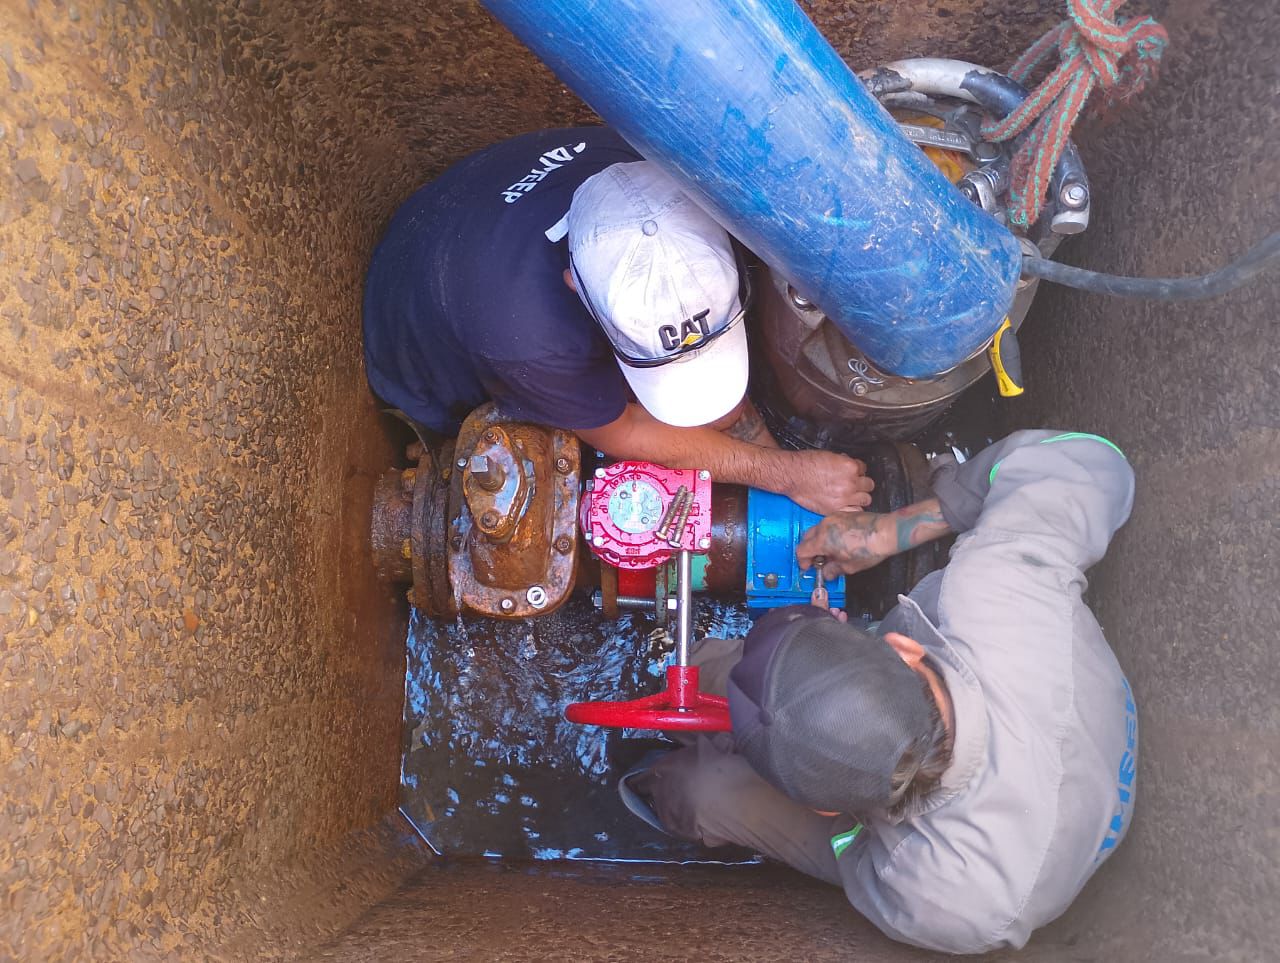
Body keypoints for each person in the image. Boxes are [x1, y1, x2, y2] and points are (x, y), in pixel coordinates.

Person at [623, 430, 1138, 954]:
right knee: (717, 678)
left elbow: (869, 855)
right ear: (905, 651)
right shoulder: (999, 593)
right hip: (1031, 727)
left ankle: (654, 783)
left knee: (699, 792)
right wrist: (891, 530)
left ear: (828, 812)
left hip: (961, 852)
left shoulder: (940, 892)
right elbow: (1092, 458)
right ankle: (703, 720)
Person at [362, 127, 872, 515]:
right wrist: (782, 474)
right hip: (424, 330)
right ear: (573, 284)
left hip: (488, 209)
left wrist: (778, 458)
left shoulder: (669, 182)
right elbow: (624, 432)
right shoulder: (526, 337)